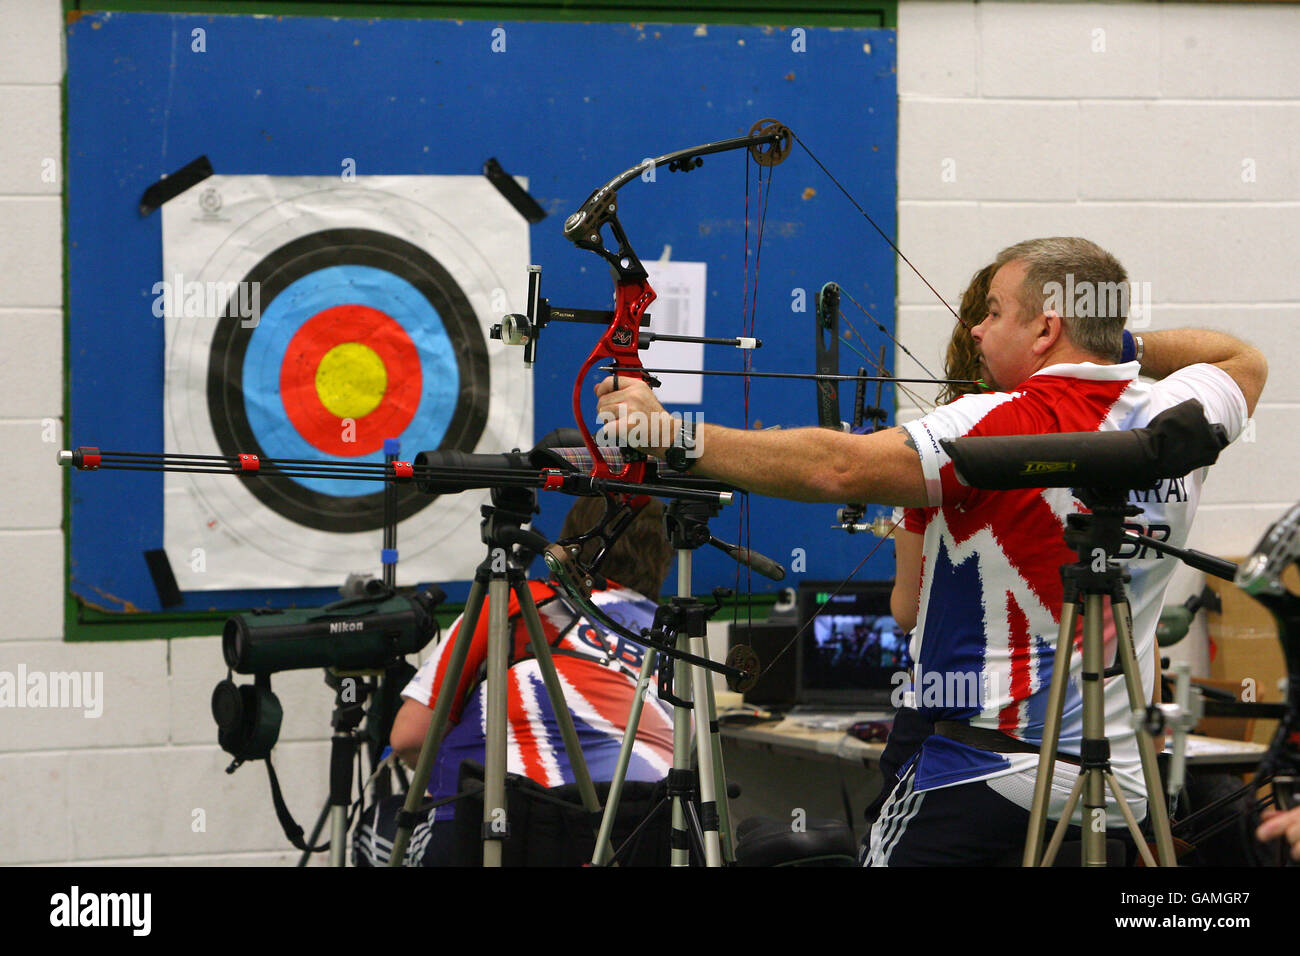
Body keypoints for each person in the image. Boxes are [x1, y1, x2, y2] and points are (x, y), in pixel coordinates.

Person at [595, 236, 1267, 865]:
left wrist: (670, 432)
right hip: (1121, 784)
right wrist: (1112, 342)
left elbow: (840, 469)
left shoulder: (995, 423)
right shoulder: (1178, 415)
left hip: (985, 777)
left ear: (1045, 329)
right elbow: (1244, 359)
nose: (975, 328)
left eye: (996, 312)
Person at [355, 495, 676, 866]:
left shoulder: (515, 601)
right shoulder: (673, 636)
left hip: (500, 836)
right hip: (637, 841)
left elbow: (410, 738)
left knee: (375, 826)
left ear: (570, 543)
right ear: (663, 558)